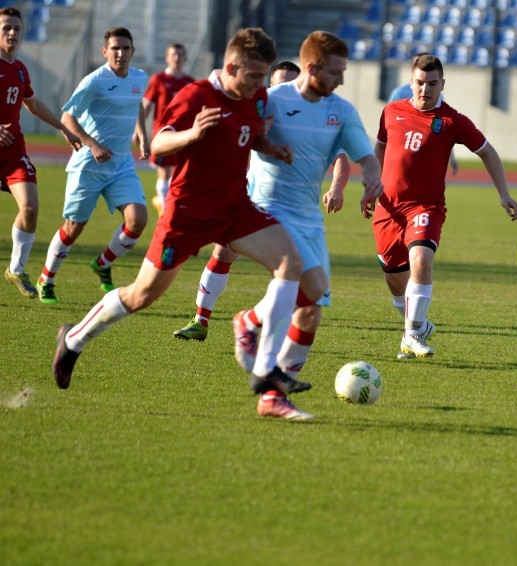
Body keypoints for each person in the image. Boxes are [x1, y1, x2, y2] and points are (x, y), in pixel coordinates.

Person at [52, 28, 313, 420]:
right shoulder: (195, 96)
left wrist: (270, 147)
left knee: (291, 265)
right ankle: (73, 339)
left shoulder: (255, 95)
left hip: (235, 207)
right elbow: (158, 144)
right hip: (188, 214)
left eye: (264, 77)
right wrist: (193, 133)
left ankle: (265, 369)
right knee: (142, 295)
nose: (262, 86)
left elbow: (246, 134)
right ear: (231, 67)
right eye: (255, 76)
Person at [172, 31, 382, 422]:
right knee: (311, 285)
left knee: (312, 308)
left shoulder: (343, 111)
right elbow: (242, 136)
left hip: (309, 218)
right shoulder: (273, 99)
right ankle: (268, 380)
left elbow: (364, 156)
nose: (341, 79)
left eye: (344, 72)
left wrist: (373, 177)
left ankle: (262, 360)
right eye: (336, 72)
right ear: (313, 67)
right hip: (268, 209)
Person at [374, 54, 517, 359]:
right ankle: (416, 324)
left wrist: (504, 194)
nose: (424, 89)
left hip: (425, 207)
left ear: (442, 84)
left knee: (421, 260)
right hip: (388, 208)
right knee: (394, 277)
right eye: (419, 83)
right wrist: (370, 185)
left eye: (432, 84)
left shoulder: (454, 121)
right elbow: (379, 147)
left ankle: (412, 334)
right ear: (410, 82)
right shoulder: (391, 111)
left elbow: (488, 153)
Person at [36, 27, 150, 304]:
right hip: (89, 164)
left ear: (133, 51)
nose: (120, 53)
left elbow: (137, 106)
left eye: (125, 48)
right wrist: (92, 144)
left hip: (121, 163)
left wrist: (143, 135)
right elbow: (67, 117)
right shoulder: (94, 81)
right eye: (115, 48)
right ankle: (46, 279)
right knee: (74, 227)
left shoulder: (140, 77)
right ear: (105, 52)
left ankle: (102, 263)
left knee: (138, 220)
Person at [0, 7, 81, 299]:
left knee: (31, 208)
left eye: (17, 29)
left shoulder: (20, 68)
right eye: (6, 27)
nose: (12, 33)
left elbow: (32, 103)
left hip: (12, 154)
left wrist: (63, 128)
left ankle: (16, 270)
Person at [140, 42, 193, 217]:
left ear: (185, 58)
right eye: (173, 54)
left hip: (182, 136)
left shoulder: (189, 83)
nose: (177, 58)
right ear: (167, 57)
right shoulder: (159, 80)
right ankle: (165, 210)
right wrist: (139, 132)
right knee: (163, 172)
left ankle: (165, 203)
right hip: (162, 135)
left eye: (180, 54)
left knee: (178, 174)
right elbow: (146, 105)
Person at [388, 53, 458, 177]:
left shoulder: (438, 96)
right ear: (413, 69)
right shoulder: (398, 94)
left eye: (432, 84)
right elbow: (388, 126)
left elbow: (443, 126)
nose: (425, 90)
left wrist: (451, 156)